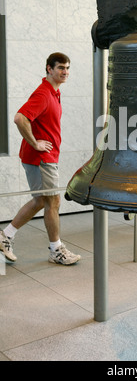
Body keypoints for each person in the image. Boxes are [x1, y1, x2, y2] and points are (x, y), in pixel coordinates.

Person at [0, 52, 81, 264]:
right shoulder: (44, 93)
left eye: (67, 68)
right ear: (49, 69)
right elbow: (20, 118)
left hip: (44, 157)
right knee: (52, 201)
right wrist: (36, 143)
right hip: (41, 159)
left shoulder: (54, 92)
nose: (65, 72)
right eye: (61, 68)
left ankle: (5, 236)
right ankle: (56, 250)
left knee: (40, 201)